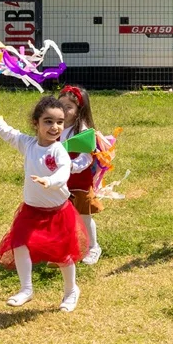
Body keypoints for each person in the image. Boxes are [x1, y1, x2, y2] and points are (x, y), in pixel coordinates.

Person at [0, 91, 85, 311]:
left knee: (63, 254)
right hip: (30, 210)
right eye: (48, 121)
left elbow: (64, 173)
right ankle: (26, 289)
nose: (55, 127)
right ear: (36, 123)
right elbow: (4, 130)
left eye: (59, 122)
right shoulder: (28, 144)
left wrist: (49, 181)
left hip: (57, 212)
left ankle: (71, 290)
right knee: (20, 245)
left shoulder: (59, 151)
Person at [58, 86, 104, 265]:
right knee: (61, 214)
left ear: (79, 110)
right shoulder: (55, 125)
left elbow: (86, 159)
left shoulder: (83, 131)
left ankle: (93, 247)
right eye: (60, 105)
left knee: (85, 216)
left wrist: (70, 166)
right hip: (60, 181)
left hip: (80, 181)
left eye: (69, 107)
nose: (63, 110)